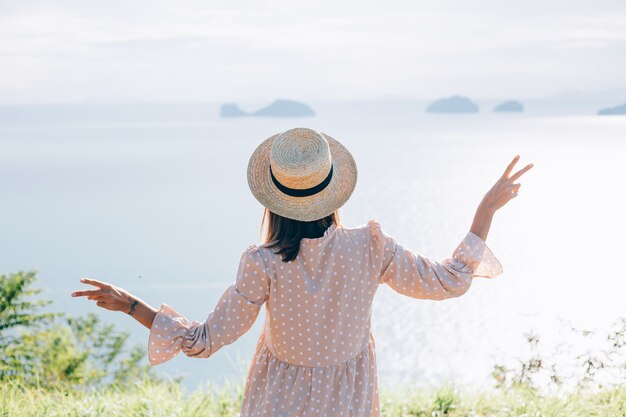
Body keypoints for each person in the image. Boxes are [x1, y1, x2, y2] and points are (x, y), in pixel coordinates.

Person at [71, 127, 533, 417]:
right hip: (348, 401)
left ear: (273, 199)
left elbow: (203, 341)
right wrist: (486, 209)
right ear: (334, 191)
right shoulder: (370, 248)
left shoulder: (263, 263)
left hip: (276, 399)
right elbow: (450, 280)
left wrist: (131, 305)